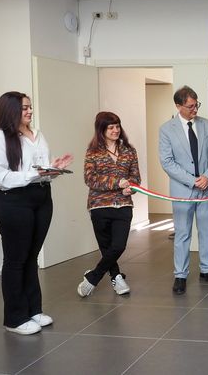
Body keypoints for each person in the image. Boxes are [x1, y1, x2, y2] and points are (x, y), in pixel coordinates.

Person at [0, 91, 73, 335]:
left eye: (30, 107)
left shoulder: (37, 134)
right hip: (13, 201)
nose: (30, 111)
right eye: (24, 108)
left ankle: (33, 310)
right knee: (16, 259)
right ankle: (14, 318)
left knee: (31, 256)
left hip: (41, 198)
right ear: (10, 110)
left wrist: (54, 168)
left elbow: (39, 170)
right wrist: (35, 174)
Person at [159, 85, 208, 295]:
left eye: (197, 105)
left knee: (206, 231)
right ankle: (180, 275)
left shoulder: (207, 125)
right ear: (178, 106)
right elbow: (167, 162)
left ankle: (207, 270)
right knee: (183, 233)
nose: (195, 109)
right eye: (190, 106)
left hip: (206, 188)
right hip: (183, 190)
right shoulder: (166, 129)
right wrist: (192, 181)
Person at [78, 112, 141, 297]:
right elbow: (90, 179)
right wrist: (117, 183)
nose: (115, 130)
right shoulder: (93, 152)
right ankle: (116, 277)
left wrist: (131, 188)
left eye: (117, 126)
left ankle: (93, 277)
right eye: (111, 127)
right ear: (101, 130)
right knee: (107, 248)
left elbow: (135, 178)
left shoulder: (129, 150)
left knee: (118, 246)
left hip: (123, 205)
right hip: (99, 206)